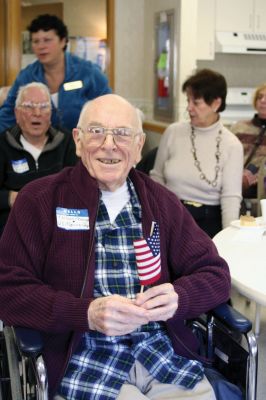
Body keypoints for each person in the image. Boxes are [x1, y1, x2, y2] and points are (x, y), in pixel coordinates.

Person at [0, 94, 231, 400]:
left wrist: (180, 296)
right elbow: (8, 290)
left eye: (122, 133)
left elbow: (215, 274)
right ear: (78, 141)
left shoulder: (161, 202)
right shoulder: (39, 200)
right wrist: (85, 313)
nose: (109, 144)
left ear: (139, 146)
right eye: (96, 131)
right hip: (83, 358)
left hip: (162, 356)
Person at [150, 69, 243, 238]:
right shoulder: (173, 132)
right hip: (170, 214)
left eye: (196, 102)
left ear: (216, 104)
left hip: (207, 222)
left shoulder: (231, 145)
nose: (189, 108)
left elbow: (230, 198)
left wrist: (229, 240)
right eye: (188, 101)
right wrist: (160, 213)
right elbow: (156, 177)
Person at [0, 14, 111, 133]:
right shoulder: (26, 77)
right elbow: (8, 114)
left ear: (63, 41)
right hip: (43, 147)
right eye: (36, 41)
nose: (41, 46)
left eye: (47, 40)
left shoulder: (89, 73)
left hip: (82, 146)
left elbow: (109, 111)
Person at [0, 81, 77, 236]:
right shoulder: (2, 144)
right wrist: (10, 198)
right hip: (14, 227)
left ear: (50, 114)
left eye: (43, 107)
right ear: (17, 113)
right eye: (28, 106)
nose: (37, 112)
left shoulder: (67, 142)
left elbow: (77, 187)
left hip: (57, 227)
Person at [231, 83, 266, 200]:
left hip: (261, 191)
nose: (263, 100)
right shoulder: (239, 128)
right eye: (260, 97)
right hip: (235, 187)